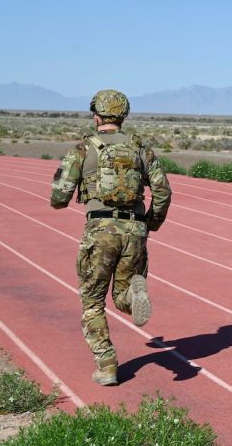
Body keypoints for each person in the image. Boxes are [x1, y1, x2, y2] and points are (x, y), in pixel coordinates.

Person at [50, 89, 172, 386]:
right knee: (120, 296)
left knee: (92, 302)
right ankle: (133, 295)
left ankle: (106, 365)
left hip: (100, 232)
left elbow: (59, 196)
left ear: (96, 115)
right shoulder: (142, 149)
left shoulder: (83, 149)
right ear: (123, 115)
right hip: (135, 232)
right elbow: (163, 192)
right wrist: (149, 224)